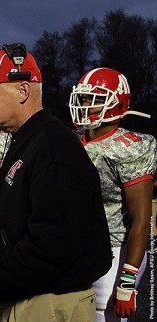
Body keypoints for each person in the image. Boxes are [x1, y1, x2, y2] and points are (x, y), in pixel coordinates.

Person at [0, 43, 113, 322]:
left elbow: (52, 244)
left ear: (23, 90)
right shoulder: (30, 140)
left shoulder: (52, 148)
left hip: (50, 302)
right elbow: (17, 224)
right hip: (36, 298)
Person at [69, 67, 157, 321]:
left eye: (93, 99)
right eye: (83, 98)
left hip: (114, 249)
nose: (85, 105)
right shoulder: (71, 138)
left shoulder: (131, 147)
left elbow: (141, 218)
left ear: (116, 103)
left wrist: (127, 281)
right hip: (73, 247)